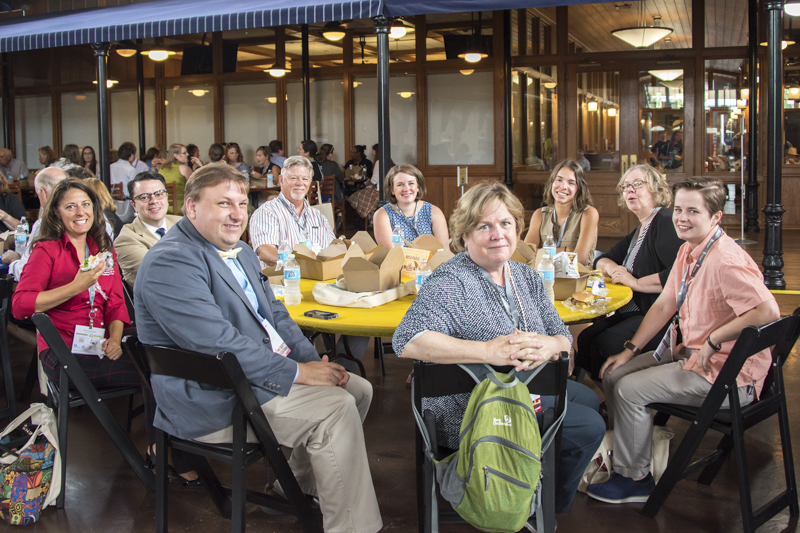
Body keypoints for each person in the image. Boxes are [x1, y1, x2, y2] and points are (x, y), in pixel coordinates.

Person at [134, 164, 382, 533]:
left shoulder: (243, 252)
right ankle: (352, 528)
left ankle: (290, 489)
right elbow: (217, 344)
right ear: (191, 208)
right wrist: (299, 373)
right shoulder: (171, 260)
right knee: (337, 408)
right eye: (223, 204)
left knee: (357, 387)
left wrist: (312, 362)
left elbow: (279, 317)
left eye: (241, 204)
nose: (237, 215)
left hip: (245, 377)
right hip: (212, 395)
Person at [392, 180, 605, 514]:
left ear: (517, 228)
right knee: (591, 426)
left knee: (589, 398)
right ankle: (541, 505)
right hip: (474, 405)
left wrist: (549, 345)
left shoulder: (526, 276)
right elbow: (408, 340)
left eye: (505, 223)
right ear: (464, 235)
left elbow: (562, 335)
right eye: (484, 226)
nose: (498, 234)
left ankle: (531, 477)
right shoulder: (451, 280)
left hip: (522, 387)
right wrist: (488, 351)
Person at [586, 177, 780, 504]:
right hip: (690, 355)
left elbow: (769, 310)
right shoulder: (689, 251)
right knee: (615, 373)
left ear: (715, 217)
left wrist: (716, 338)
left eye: (693, 211)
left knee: (631, 390)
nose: (681, 217)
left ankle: (634, 478)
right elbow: (665, 304)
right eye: (678, 209)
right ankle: (633, 452)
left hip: (727, 375)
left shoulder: (725, 259)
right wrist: (630, 350)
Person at [10, 178, 152, 470]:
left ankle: (161, 449)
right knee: (155, 375)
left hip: (100, 342)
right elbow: (20, 305)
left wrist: (114, 338)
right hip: (61, 352)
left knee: (161, 362)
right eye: (70, 206)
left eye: (85, 204)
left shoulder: (102, 248)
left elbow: (115, 302)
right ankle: (159, 454)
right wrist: (76, 286)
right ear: (56, 213)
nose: (80, 212)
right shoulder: (46, 251)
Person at [575, 165, 683, 381]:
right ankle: (603, 392)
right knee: (586, 337)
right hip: (634, 310)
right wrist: (615, 269)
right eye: (625, 187)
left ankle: (616, 396)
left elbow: (680, 274)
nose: (629, 190)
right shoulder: (641, 230)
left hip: (663, 318)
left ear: (655, 188)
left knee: (604, 343)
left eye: (637, 184)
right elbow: (601, 258)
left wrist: (636, 282)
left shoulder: (664, 222)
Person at [249, 156, 334, 269]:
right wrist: (300, 266)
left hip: (317, 279)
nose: (300, 183)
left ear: (310, 182)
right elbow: (266, 253)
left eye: (305, 179)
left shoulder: (318, 216)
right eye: (293, 178)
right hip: (282, 282)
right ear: (281, 180)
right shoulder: (267, 212)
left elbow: (333, 250)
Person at [524, 159, 599, 267]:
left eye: (571, 183)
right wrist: (567, 250)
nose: (563, 186)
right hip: (543, 277)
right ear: (552, 183)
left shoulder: (589, 213)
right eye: (559, 180)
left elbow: (580, 259)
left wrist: (541, 253)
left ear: (579, 188)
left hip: (575, 281)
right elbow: (527, 255)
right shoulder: (539, 214)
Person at [115, 172, 181, 286]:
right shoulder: (126, 240)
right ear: (134, 205)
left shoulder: (182, 223)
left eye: (159, 194)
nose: (154, 201)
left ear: (167, 197)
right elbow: (163, 275)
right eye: (144, 197)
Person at [3, 167, 67, 277]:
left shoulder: (44, 225)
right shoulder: (92, 219)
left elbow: (27, 272)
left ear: (43, 193)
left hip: (54, 289)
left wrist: (14, 261)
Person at [373, 164, 448, 247]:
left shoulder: (434, 211)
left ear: (418, 187)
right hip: (398, 259)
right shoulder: (382, 215)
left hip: (433, 260)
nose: (406, 189)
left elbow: (444, 252)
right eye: (400, 184)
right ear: (392, 190)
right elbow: (390, 253)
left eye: (411, 183)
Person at [109, 142, 139, 223]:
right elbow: (132, 189)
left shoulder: (110, 167)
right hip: (125, 205)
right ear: (131, 155)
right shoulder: (130, 169)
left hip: (111, 202)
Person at [158, 143, 192, 214]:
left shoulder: (161, 169)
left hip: (163, 208)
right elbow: (195, 187)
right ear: (176, 155)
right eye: (184, 153)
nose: (188, 154)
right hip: (180, 209)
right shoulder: (184, 169)